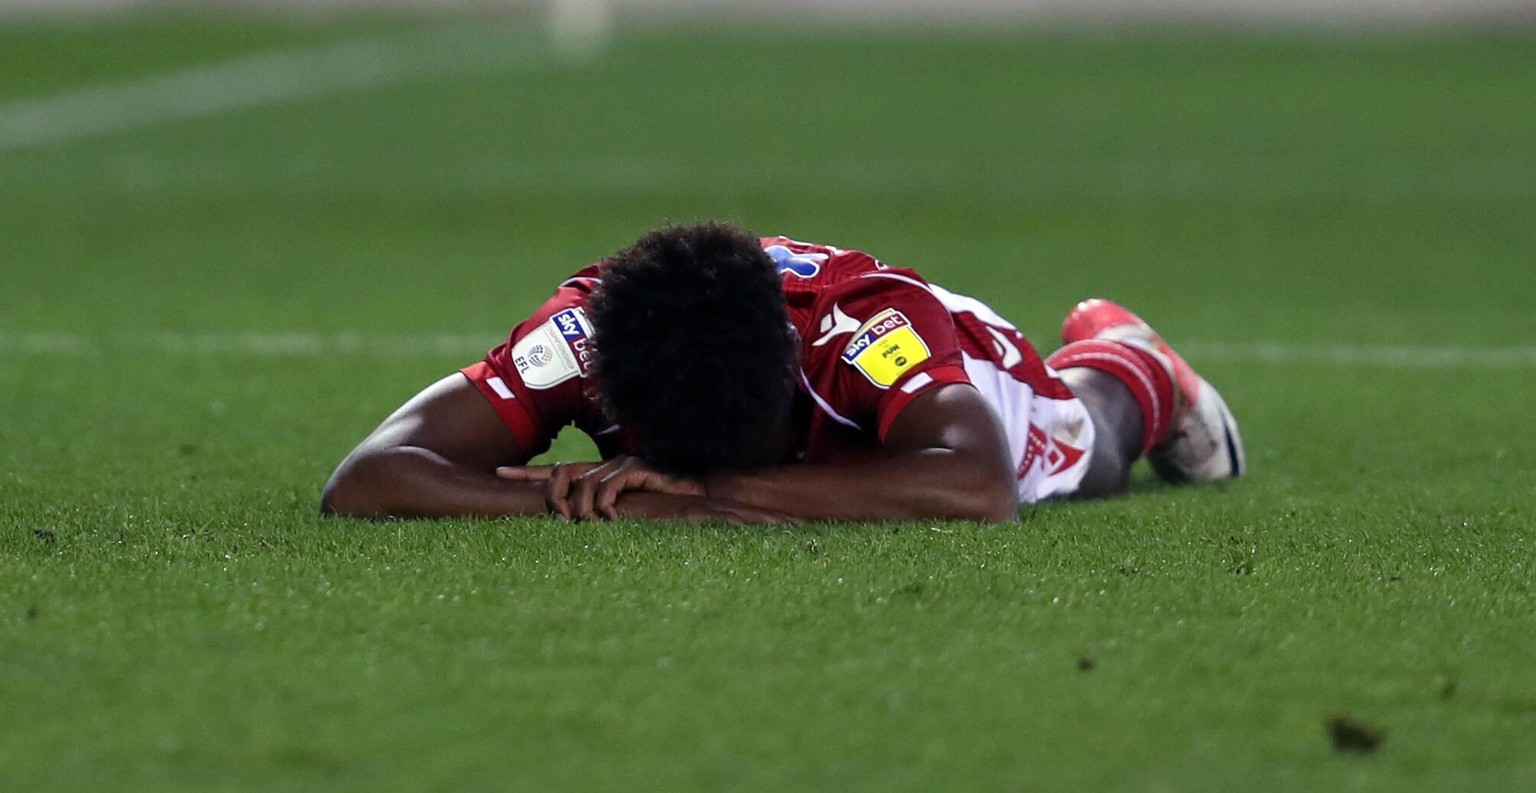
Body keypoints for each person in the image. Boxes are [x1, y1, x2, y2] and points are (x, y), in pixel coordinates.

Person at [321, 222, 1244, 524]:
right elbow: (366, 477)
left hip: (957, 362)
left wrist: (703, 492)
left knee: (1088, 456)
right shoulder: (587, 336)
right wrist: (574, 502)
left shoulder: (864, 328)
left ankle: (1129, 360)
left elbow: (978, 484)